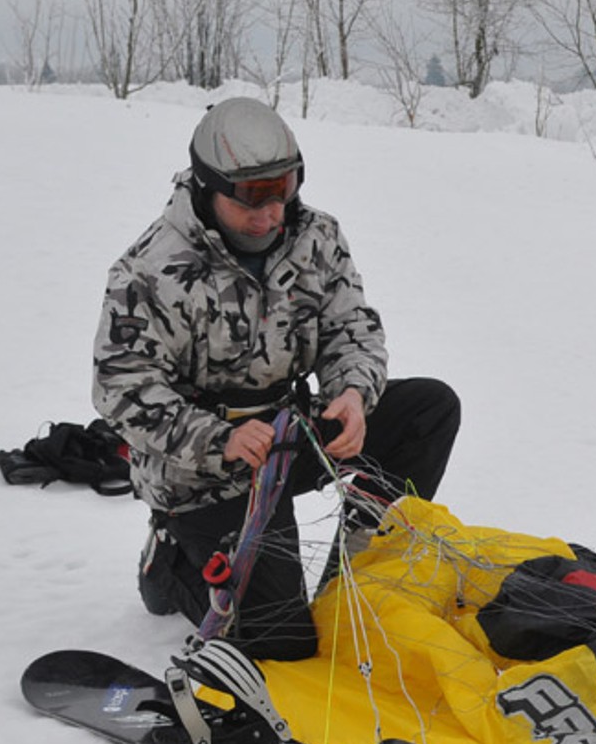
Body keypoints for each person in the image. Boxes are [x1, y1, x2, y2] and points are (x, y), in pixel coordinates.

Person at [93, 97, 459, 661]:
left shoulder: (317, 238)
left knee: (429, 409)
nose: (270, 216)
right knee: (281, 644)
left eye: (283, 193)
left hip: (292, 433)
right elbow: (122, 384)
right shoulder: (151, 269)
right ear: (208, 188)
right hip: (208, 474)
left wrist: (353, 395)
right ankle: (169, 563)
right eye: (253, 201)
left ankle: (358, 569)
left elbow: (352, 329)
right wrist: (220, 440)